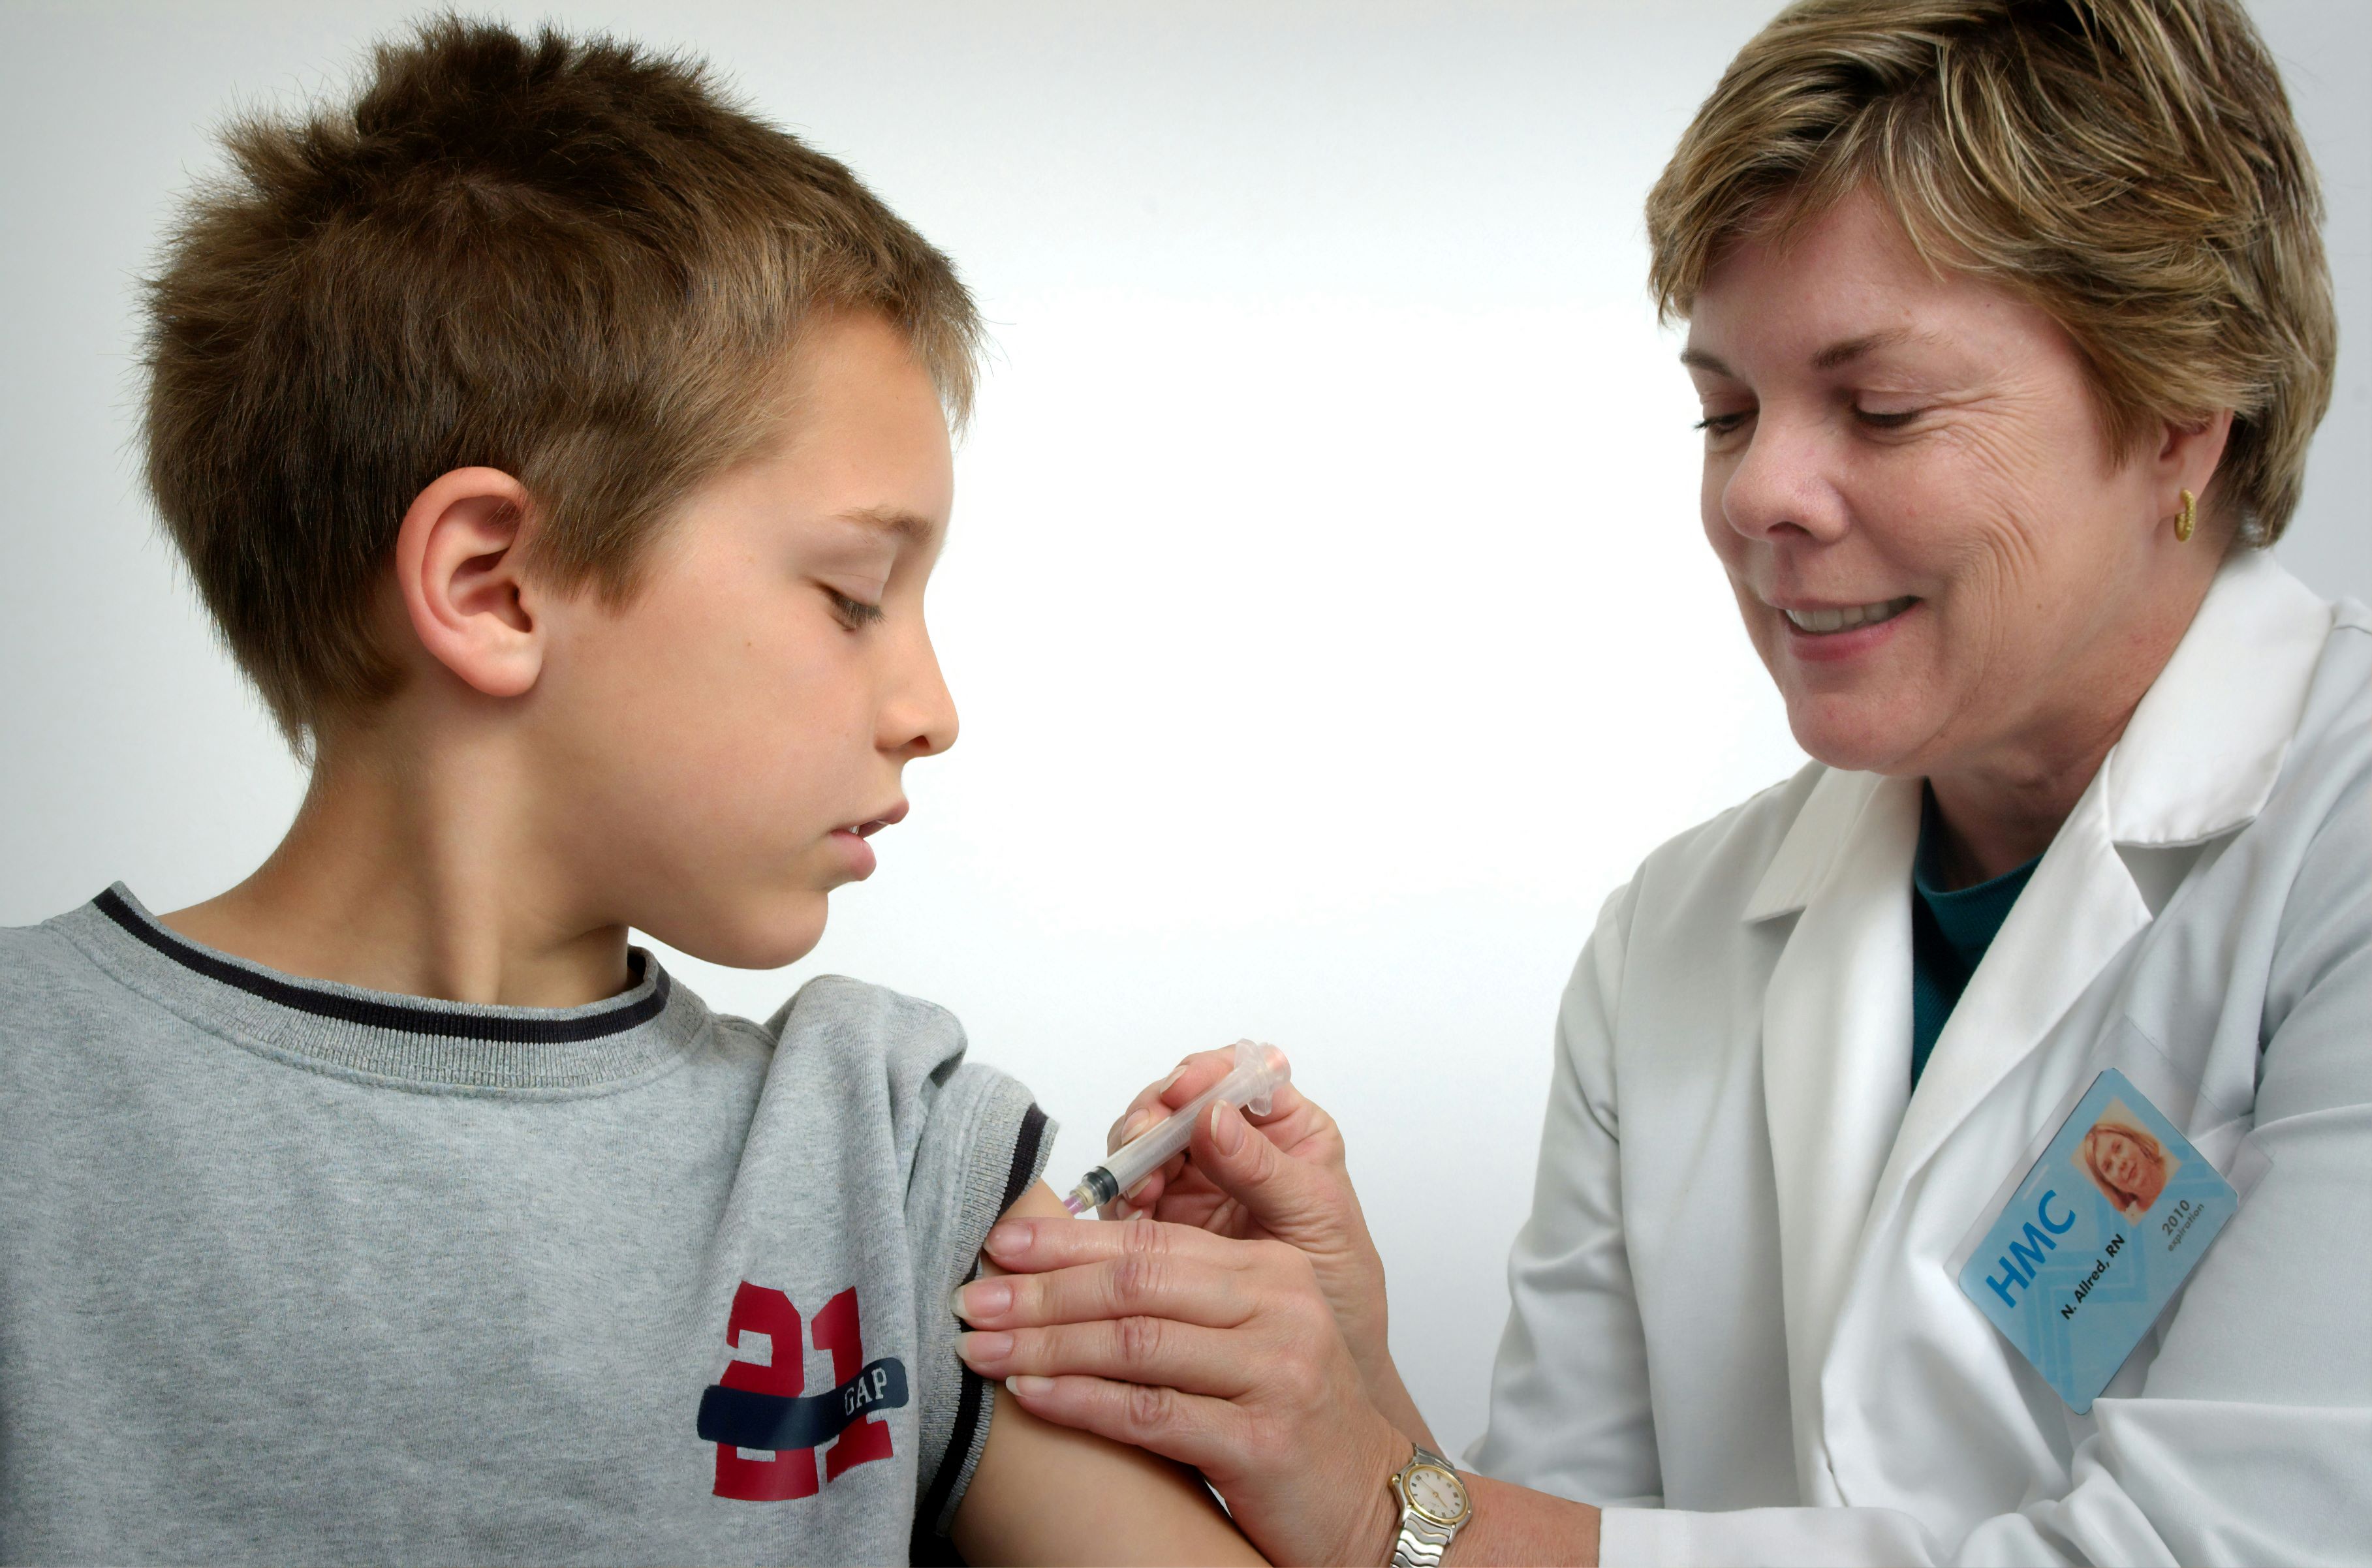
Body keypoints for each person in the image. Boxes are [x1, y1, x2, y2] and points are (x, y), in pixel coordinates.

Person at [948, 1, 2369, 1563]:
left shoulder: (2334, 839)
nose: (1758, 490)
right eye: (1727, 410)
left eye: (1879, 408)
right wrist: (1352, 1394)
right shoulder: (1676, 939)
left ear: (2181, 412)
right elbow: (1544, 1538)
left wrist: (1370, 1500)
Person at [0, 20, 1260, 1566]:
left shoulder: (887, 1162)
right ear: (496, 586)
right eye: (855, 593)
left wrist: (1354, 1416)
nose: (933, 712)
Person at [2078, 1120, 2172, 1220]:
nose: (2120, 1164)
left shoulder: (2178, 1162)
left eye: (2118, 1148)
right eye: (2109, 1166)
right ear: (2109, 1182)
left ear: (2134, 1140)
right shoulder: (2132, 1221)